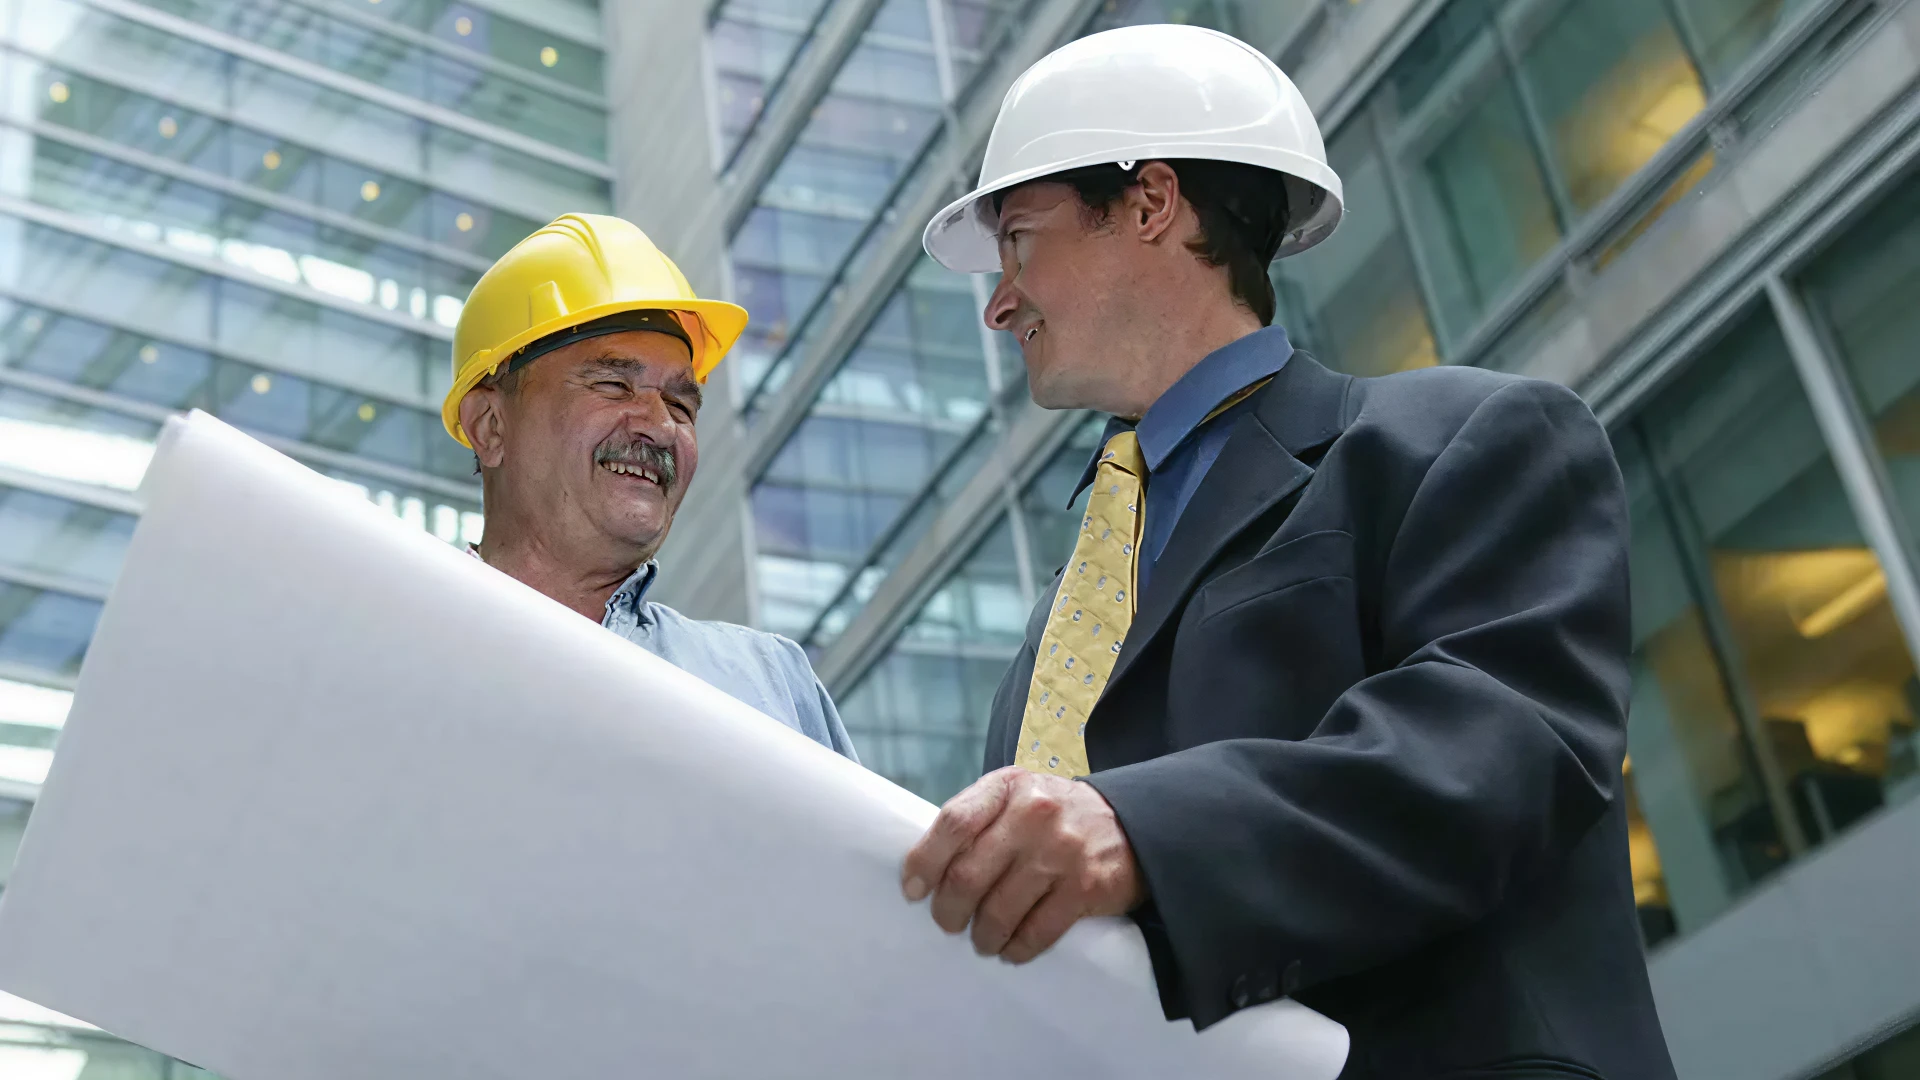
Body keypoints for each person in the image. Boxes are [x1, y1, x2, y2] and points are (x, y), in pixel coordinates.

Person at [899, 25, 1673, 1079]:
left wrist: (1144, 832)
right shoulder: (1052, 640)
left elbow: (1496, 749)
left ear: (1150, 201)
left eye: (1020, 239)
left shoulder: (1464, 440)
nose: (998, 301)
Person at [443, 213, 857, 761]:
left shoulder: (774, 686)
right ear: (491, 426)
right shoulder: (388, 643)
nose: (661, 427)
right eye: (614, 385)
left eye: (682, 405)